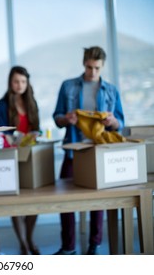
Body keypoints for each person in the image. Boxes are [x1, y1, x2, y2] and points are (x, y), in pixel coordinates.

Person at [52, 46, 125, 255]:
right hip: (73, 149)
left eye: (97, 68)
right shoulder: (68, 87)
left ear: (102, 66)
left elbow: (121, 123)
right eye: (89, 67)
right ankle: (68, 247)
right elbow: (57, 117)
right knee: (63, 198)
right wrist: (66, 119)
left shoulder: (111, 90)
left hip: (99, 150)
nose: (92, 72)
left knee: (98, 200)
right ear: (83, 63)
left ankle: (94, 245)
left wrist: (112, 121)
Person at [0, 66, 41, 255]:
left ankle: (29, 238)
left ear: (27, 82)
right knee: (16, 202)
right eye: (16, 81)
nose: (19, 85)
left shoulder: (32, 102)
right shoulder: (1, 105)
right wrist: (17, 136)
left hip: (30, 157)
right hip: (11, 158)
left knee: (35, 199)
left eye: (23, 81)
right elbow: (1, 132)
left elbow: (38, 127)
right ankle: (23, 243)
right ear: (10, 82)